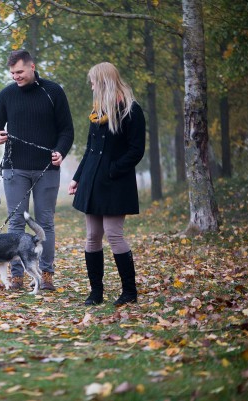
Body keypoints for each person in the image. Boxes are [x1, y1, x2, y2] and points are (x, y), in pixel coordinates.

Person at [0, 50, 74, 291]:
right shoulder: (7, 94)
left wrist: (60, 151)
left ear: (32, 67)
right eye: (12, 73)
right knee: (16, 224)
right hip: (15, 169)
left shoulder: (53, 92)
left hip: (47, 169)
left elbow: (67, 130)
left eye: (20, 72)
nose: (15, 77)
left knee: (45, 223)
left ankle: (46, 275)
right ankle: (17, 277)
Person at [68, 62, 145, 306]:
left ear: (104, 83)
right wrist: (77, 177)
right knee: (92, 236)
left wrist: (113, 169)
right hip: (91, 182)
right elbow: (90, 149)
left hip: (115, 183)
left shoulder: (131, 110)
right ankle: (96, 293)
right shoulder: (97, 112)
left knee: (113, 234)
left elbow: (136, 150)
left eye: (93, 82)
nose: (91, 87)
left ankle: (129, 292)